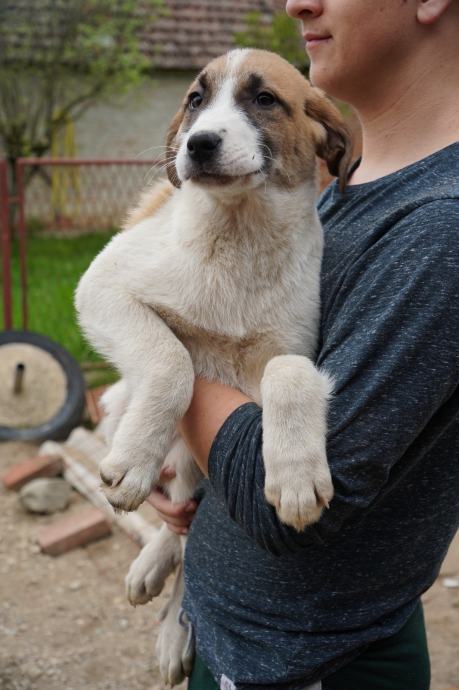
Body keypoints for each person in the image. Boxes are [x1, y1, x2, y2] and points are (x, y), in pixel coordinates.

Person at [149, 1, 459, 688]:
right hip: (232, 633)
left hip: (310, 663)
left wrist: (162, 367)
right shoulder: (338, 189)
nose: (295, 3)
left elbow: (288, 507)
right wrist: (175, 460)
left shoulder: (440, 226)